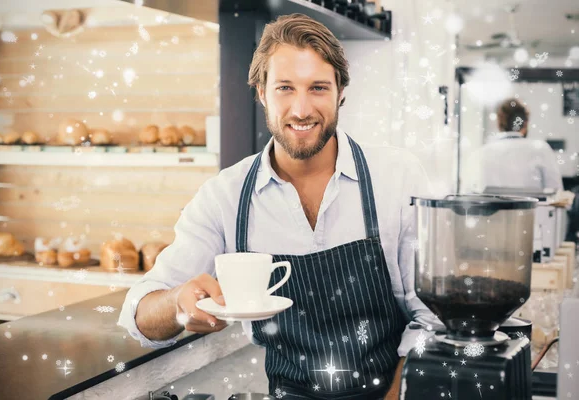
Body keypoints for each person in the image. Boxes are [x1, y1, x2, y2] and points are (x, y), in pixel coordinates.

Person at [118, 13, 441, 400]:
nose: (301, 109)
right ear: (261, 92)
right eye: (285, 88)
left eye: (318, 88)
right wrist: (177, 304)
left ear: (341, 92)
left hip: (393, 391)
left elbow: (435, 317)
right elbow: (140, 315)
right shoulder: (225, 197)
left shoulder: (397, 177)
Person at [462, 98, 563, 194]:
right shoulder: (541, 149)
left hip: (492, 212)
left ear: (499, 123)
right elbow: (556, 195)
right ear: (525, 123)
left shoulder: (479, 154)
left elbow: (468, 194)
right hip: (533, 212)